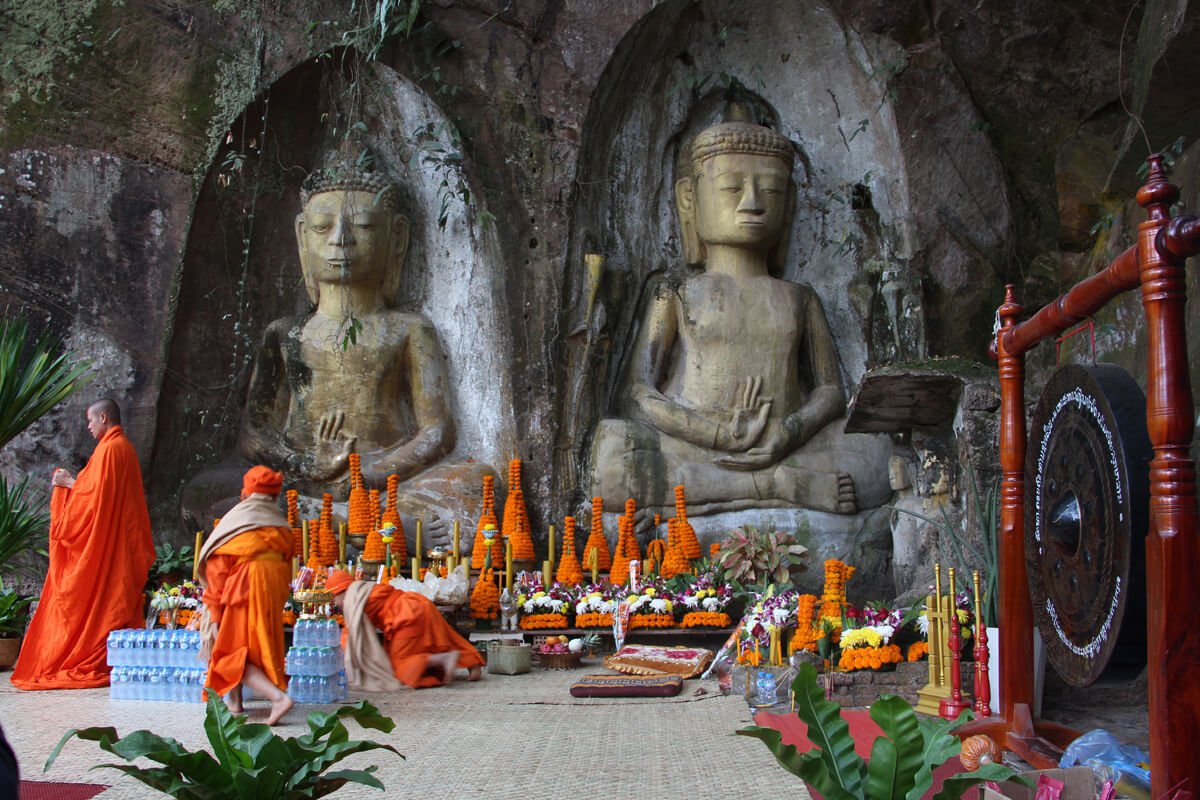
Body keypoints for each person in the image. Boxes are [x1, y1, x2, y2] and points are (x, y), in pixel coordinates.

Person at [590, 108, 889, 521]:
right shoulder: (675, 293)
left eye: (770, 191)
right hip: (696, 446)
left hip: (785, 445)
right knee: (610, 453)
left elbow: (831, 392)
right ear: (689, 200)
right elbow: (637, 394)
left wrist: (788, 432)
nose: (752, 204)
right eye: (732, 188)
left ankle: (735, 489)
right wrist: (716, 434)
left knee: (879, 452)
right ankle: (771, 487)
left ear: (789, 205)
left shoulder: (800, 297)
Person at [231, 144, 494, 547]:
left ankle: (338, 523)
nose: (342, 240)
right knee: (212, 489)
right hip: (298, 480)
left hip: (383, 480)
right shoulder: (285, 333)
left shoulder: (408, 329)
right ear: (303, 236)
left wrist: (366, 473)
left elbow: (438, 430)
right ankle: (366, 527)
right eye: (323, 227)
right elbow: (252, 433)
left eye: (365, 227)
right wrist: (306, 464)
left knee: (481, 483)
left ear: (396, 236)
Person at [12, 399, 155, 690]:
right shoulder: (120, 448)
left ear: (103, 417)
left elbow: (96, 501)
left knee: (99, 604)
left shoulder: (112, 449)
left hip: (111, 549)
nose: (88, 426)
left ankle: (91, 655)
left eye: (90, 421)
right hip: (119, 545)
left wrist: (67, 483)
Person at [196, 466, 295, 725]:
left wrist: (215, 614)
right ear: (275, 496)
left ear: (246, 493)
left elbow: (218, 570)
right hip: (272, 586)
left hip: (244, 586)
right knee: (248, 647)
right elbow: (289, 557)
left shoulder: (237, 522)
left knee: (231, 649)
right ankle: (235, 701)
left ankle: (278, 698)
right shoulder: (279, 522)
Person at [325, 569, 483, 689]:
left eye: (333, 597)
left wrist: (340, 659)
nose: (335, 603)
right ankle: (472, 664)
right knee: (445, 639)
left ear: (342, 591)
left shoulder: (353, 598)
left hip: (406, 616)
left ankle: (443, 659)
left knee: (399, 670)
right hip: (419, 605)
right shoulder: (364, 589)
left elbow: (350, 632)